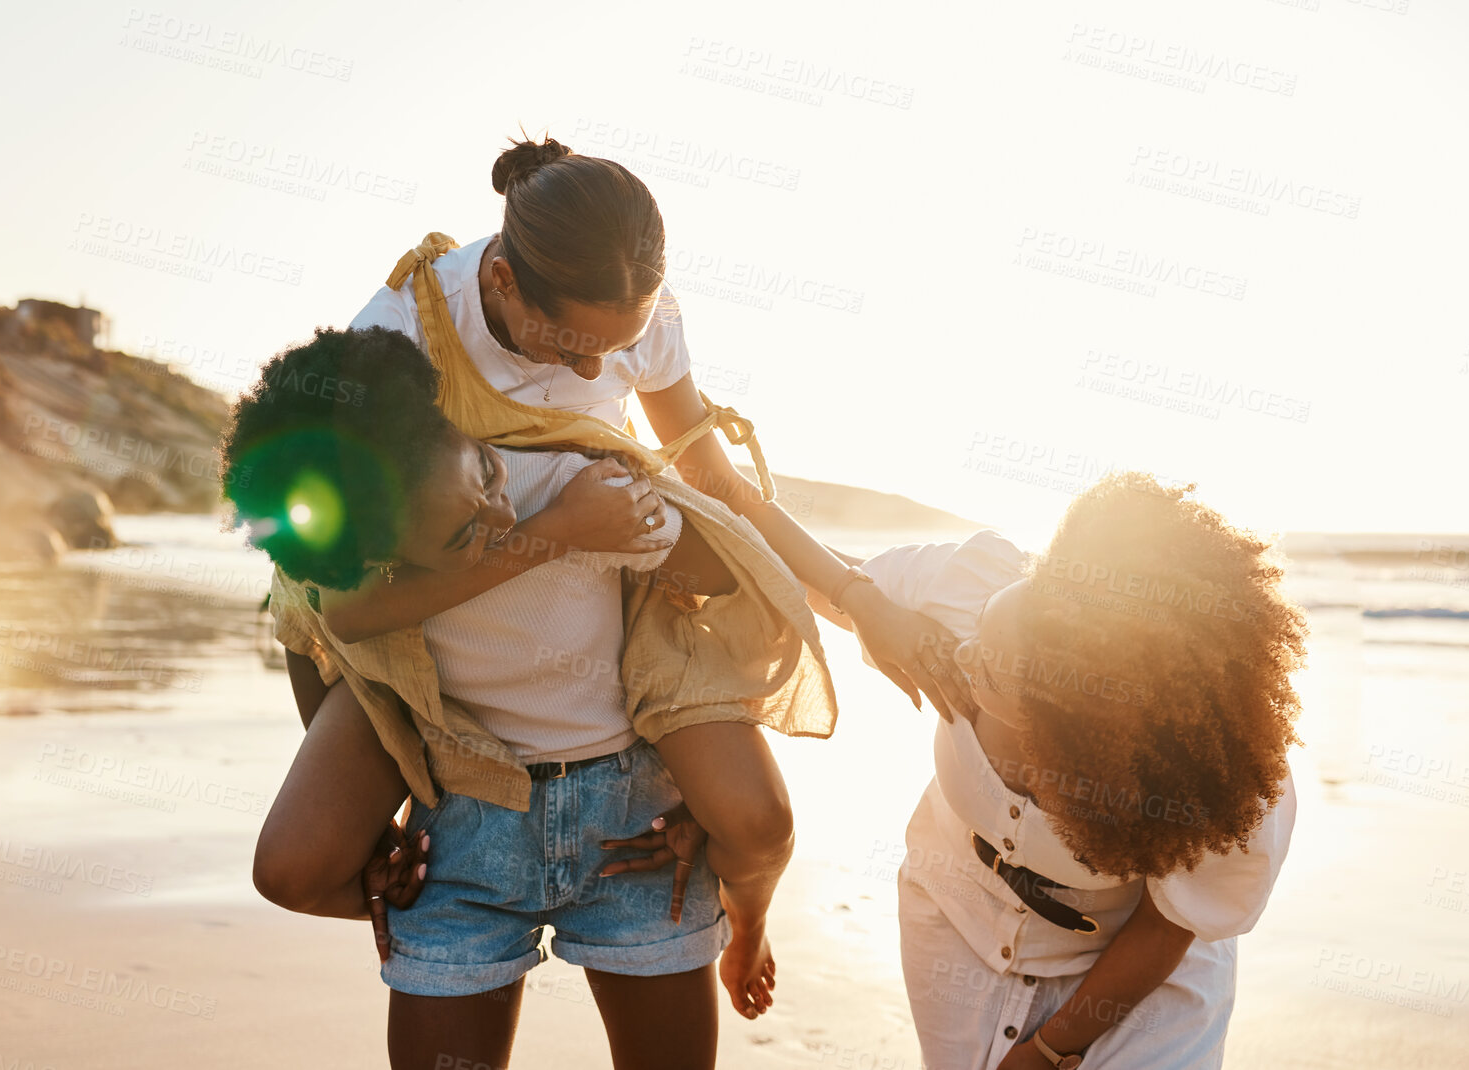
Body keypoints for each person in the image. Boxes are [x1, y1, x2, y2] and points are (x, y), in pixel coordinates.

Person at [249, 134, 971, 1026]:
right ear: (504, 283)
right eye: (578, 351)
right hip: (428, 638)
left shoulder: (640, 319)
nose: (600, 376)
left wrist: (863, 605)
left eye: (618, 349)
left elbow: (716, 487)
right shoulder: (397, 343)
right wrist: (554, 536)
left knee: (754, 817)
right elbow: (332, 603)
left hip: (604, 619)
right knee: (303, 855)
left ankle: (745, 917)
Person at [226, 326, 803, 1069]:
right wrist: (377, 837)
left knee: (762, 825)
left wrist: (621, 521)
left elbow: (729, 572)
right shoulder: (360, 576)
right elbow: (312, 640)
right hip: (465, 840)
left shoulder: (570, 476)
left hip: (628, 826)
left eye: (486, 475)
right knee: (287, 872)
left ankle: (745, 920)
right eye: (467, 533)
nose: (501, 518)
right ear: (386, 565)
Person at [809, 473, 1303, 1069]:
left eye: (991, 666)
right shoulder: (980, 593)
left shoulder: (1214, 788)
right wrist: (716, 496)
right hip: (956, 920)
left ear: (1070, 719)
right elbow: (825, 579)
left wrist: (1047, 1050)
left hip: (1136, 964)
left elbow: (1163, 930)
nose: (962, 653)